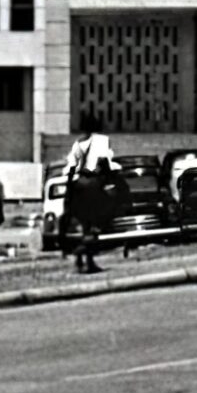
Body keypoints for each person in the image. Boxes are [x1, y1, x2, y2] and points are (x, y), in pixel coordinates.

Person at [63, 112, 114, 275]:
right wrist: (108, 181)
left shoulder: (78, 143)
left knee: (83, 223)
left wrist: (69, 190)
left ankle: (79, 260)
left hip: (79, 184)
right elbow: (105, 163)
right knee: (95, 223)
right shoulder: (102, 141)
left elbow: (71, 166)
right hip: (93, 185)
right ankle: (89, 260)